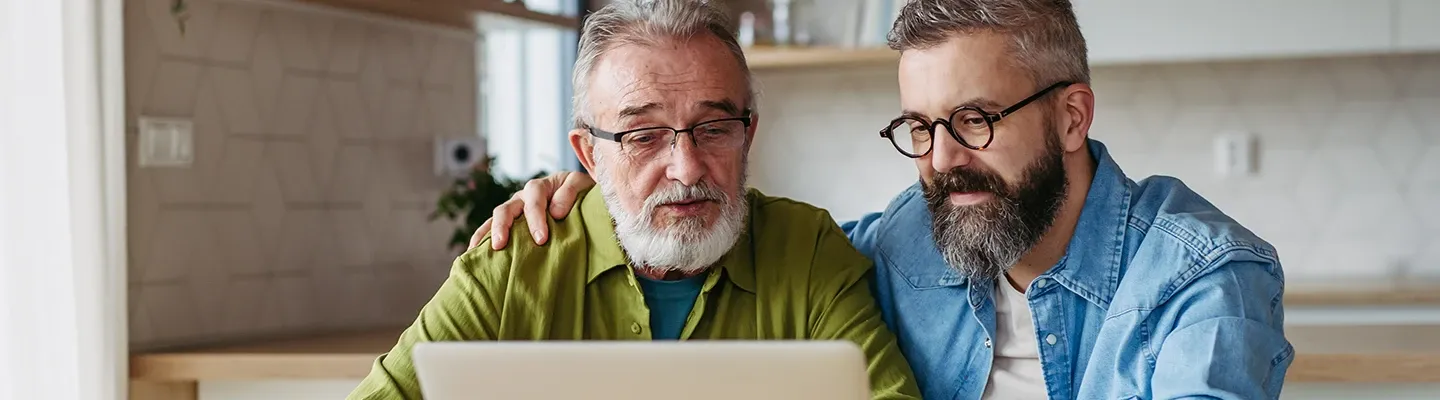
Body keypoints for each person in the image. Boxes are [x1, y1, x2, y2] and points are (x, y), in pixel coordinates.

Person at [473, 0, 1294, 399]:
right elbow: (723, 225)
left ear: (1072, 115)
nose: (940, 162)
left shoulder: (1202, 279)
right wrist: (598, 193)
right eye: (919, 126)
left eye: (974, 121)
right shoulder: (910, 239)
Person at [346, 1, 921, 399]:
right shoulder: (511, 262)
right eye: (642, 136)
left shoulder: (810, 249)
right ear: (589, 155)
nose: (686, 167)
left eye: (715, 128)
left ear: (749, 133)